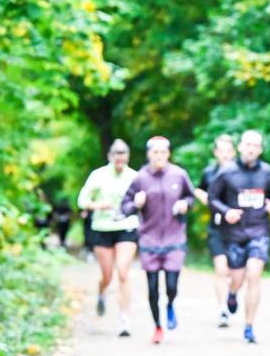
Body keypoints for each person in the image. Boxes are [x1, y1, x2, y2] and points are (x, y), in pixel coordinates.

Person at [206, 130, 270, 344]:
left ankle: (249, 326)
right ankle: (231, 294)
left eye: (255, 145)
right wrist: (226, 211)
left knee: (254, 275)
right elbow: (212, 198)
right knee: (237, 278)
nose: (251, 149)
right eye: (247, 144)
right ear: (240, 147)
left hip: (259, 231)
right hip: (233, 233)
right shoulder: (227, 172)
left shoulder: (267, 172)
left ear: (260, 149)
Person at [120, 136, 195, 344]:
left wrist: (185, 205)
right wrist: (135, 204)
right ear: (149, 154)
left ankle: (171, 303)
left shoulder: (179, 175)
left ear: (168, 154)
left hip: (175, 239)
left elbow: (191, 199)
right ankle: (158, 327)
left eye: (163, 152)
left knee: (171, 285)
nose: (159, 156)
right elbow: (124, 207)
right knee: (152, 288)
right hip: (149, 240)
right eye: (155, 152)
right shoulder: (140, 178)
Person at [77, 139, 140, 336]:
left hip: (126, 226)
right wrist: (99, 205)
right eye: (116, 161)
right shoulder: (98, 175)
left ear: (127, 158)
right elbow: (82, 201)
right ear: (110, 157)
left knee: (123, 272)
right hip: (102, 228)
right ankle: (102, 292)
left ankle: (124, 320)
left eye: (123, 161)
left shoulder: (135, 176)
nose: (120, 165)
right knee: (108, 275)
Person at [194, 134, 238, 327]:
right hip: (216, 227)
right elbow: (198, 189)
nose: (225, 154)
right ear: (215, 152)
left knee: (236, 273)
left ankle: (232, 294)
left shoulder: (241, 173)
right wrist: (207, 199)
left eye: (228, 151)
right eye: (221, 150)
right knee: (221, 269)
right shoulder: (209, 172)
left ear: (234, 153)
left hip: (238, 229)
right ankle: (223, 310)